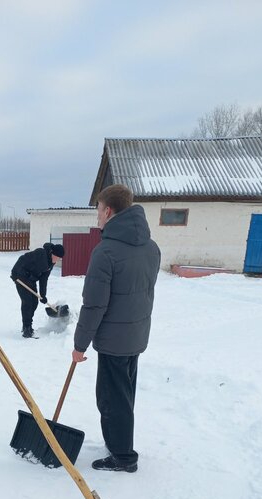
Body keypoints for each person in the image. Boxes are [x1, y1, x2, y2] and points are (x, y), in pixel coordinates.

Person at [72, 184, 160, 473]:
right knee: (124, 395)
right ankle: (119, 444)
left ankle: (123, 456)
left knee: (111, 399)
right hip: (135, 336)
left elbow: (94, 305)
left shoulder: (106, 252)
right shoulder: (151, 248)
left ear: (108, 211)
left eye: (98, 210)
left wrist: (80, 345)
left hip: (113, 341)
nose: (97, 216)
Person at [11, 242, 65, 337]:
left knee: (34, 302)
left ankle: (27, 325)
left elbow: (44, 279)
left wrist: (43, 295)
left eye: (60, 258)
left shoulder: (51, 263)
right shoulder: (40, 253)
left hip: (31, 280)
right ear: (53, 253)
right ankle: (27, 328)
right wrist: (14, 273)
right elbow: (23, 259)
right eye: (57, 257)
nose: (58, 260)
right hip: (21, 277)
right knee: (27, 302)